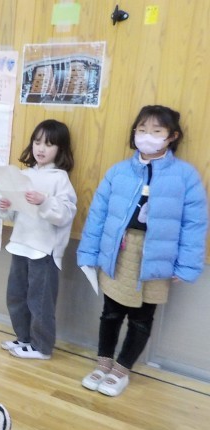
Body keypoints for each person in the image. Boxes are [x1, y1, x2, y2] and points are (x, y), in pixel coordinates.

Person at [77, 105, 207, 396]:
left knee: (141, 318)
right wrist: (88, 253)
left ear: (172, 136)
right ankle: (102, 364)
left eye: (156, 131)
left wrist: (186, 265)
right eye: (142, 129)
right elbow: (97, 216)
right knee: (111, 313)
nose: (147, 136)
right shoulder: (118, 171)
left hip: (158, 256)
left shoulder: (186, 176)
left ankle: (121, 370)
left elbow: (194, 224)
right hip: (120, 252)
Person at [0, 119, 77, 360]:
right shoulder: (23, 174)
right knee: (16, 296)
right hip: (20, 244)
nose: (41, 149)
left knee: (40, 301)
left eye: (49, 144)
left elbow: (65, 214)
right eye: (37, 142)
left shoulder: (60, 178)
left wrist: (44, 201)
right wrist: (4, 206)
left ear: (60, 149)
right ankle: (24, 338)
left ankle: (42, 347)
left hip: (44, 250)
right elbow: (12, 214)